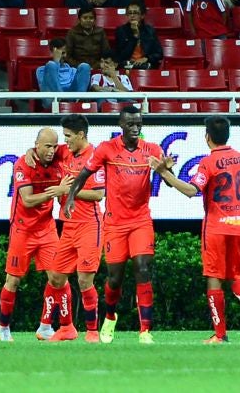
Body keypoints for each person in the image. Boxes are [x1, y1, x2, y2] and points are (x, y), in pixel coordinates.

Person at [149, 115, 240, 343]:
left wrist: (163, 173)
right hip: (239, 225)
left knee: (214, 278)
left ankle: (220, 335)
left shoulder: (208, 162)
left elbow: (190, 190)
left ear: (207, 137)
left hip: (216, 227)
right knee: (235, 275)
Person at [63, 106, 165, 344]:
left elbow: (168, 179)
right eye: (130, 123)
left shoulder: (152, 150)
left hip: (141, 220)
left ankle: (145, 330)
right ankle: (110, 316)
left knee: (142, 268)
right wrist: (70, 197)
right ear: (121, 124)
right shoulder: (107, 149)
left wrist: (164, 168)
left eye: (139, 123)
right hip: (115, 224)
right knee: (114, 278)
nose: (135, 128)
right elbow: (84, 175)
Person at [34, 115, 106, 342]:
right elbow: (44, 151)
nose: (64, 141)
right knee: (56, 277)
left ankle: (92, 331)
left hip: (89, 226)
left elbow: (98, 194)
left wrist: (67, 191)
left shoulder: (95, 157)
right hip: (68, 226)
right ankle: (67, 328)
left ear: (81, 135)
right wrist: (29, 152)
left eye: (68, 136)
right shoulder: (66, 152)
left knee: (84, 280)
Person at [0, 128, 72, 342]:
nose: (52, 150)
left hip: (46, 228)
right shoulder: (23, 163)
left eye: (55, 146)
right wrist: (56, 191)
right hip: (23, 229)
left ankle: (46, 326)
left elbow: (78, 150)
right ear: (36, 145)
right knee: (13, 280)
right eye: (47, 146)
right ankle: (4, 328)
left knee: (58, 277)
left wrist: (65, 200)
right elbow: (28, 200)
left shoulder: (60, 162)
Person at [36, 38, 91, 110]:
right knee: (51, 65)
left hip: (71, 99)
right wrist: (56, 61)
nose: (62, 56)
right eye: (59, 53)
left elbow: (74, 88)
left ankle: (80, 100)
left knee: (84, 66)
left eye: (63, 53)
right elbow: (44, 88)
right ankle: (61, 98)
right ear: (52, 53)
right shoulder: (41, 70)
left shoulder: (73, 71)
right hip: (52, 100)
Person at [115, 0, 164, 70]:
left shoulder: (149, 31)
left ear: (142, 15)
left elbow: (159, 54)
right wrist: (134, 37)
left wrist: (146, 58)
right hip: (127, 66)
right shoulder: (121, 31)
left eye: (135, 13)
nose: (132, 16)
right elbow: (121, 56)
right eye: (129, 13)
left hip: (145, 65)